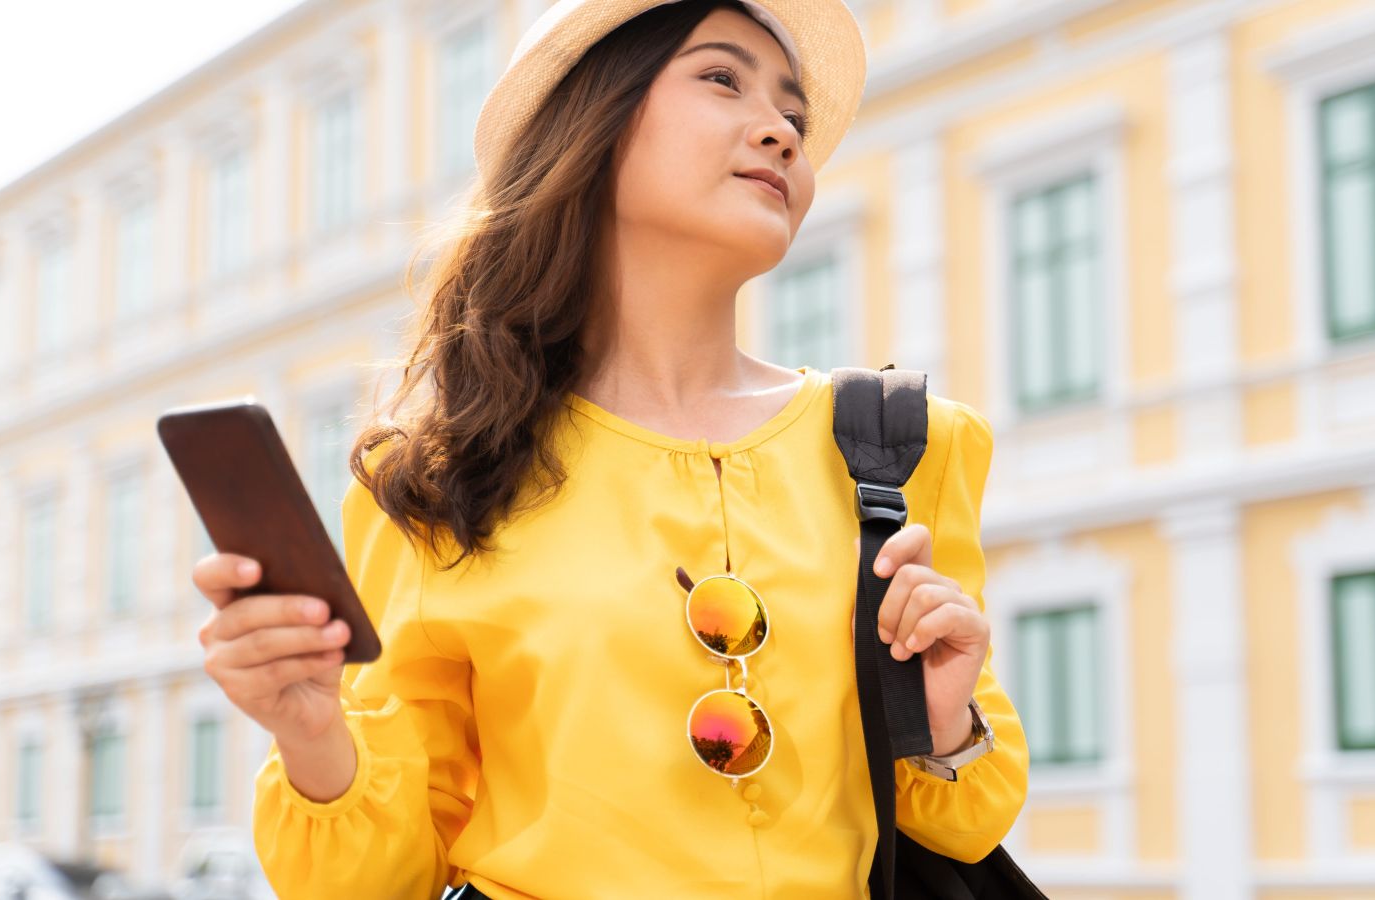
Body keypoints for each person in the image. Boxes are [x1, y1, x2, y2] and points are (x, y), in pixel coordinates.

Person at [190, 0, 1029, 896]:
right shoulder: (442, 480)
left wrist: (943, 725)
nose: (783, 133)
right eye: (721, 78)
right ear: (595, 118)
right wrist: (313, 734)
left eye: (795, 113)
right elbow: (374, 880)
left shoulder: (906, 446)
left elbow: (963, 825)